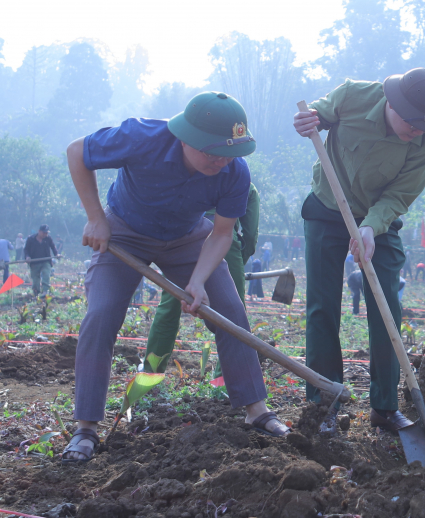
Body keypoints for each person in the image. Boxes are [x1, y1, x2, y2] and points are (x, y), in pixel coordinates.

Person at [61, 91, 289, 464]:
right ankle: (86, 427)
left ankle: (257, 410)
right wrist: (96, 217)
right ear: (186, 138)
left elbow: (220, 233)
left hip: (188, 237)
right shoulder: (141, 138)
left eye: (229, 152)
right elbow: (76, 152)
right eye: (212, 151)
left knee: (231, 311)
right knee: (101, 315)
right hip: (124, 234)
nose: (220, 160)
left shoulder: (234, 171)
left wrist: (197, 281)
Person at [293, 67, 425, 435]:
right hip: (327, 207)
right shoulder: (353, 96)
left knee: (386, 308)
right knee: (322, 306)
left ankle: (385, 406)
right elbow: (317, 114)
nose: (417, 132)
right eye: (412, 123)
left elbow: (398, 196)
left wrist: (369, 227)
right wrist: (307, 120)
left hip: (377, 220)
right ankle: (323, 402)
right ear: (391, 103)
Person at [144, 184, 260, 375]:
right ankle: (226, 379)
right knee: (233, 313)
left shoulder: (190, 174)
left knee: (169, 307)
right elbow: (250, 234)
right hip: (223, 242)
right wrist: (235, 263)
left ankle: (150, 373)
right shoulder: (244, 184)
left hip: (184, 238)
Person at [24, 224, 58, 296]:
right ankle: (36, 293)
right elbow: (26, 250)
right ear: (39, 231)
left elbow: (53, 246)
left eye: (46, 233)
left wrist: (56, 254)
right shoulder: (31, 239)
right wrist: (27, 257)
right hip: (34, 262)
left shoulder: (48, 238)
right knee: (35, 278)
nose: (45, 234)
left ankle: (45, 291)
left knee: (46, 274)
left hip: (46, 261)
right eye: (44, 232)